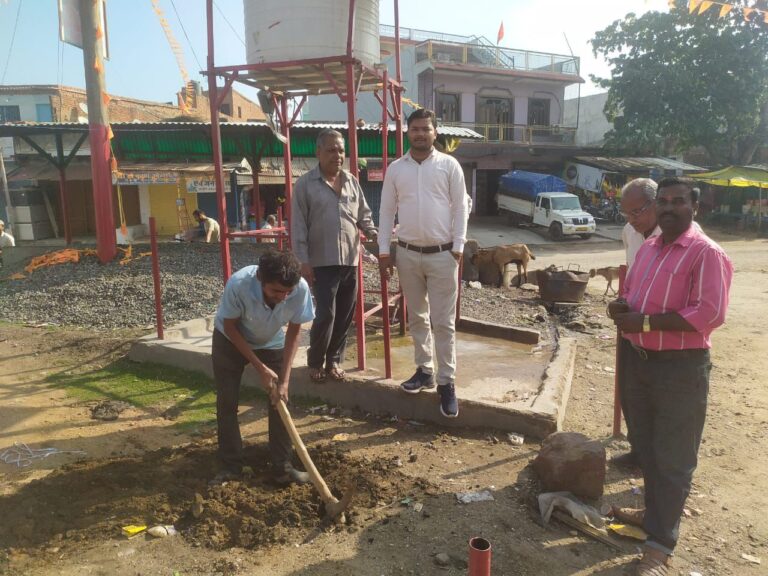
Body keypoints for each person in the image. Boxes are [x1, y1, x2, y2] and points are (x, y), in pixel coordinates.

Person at [608, 177, 732, 575]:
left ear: (695, 205)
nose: (668, 208)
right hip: (638, 360)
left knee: (674, 457)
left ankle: (659, 548)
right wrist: (622, 306)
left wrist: (643, 321)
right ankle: (651, 516)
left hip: (679, 368)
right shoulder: (648, 248)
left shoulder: (705, 253)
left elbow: (709, 314)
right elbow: (636, 293)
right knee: (645, 446)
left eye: (678, 201)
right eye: (662, 201)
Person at [378, 108, 469, 418]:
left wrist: (458, 247)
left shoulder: (449, 165)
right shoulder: (396, 169)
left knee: (443, 322)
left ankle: (446, 383)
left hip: (444, 255)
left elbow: (461, 209)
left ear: (434, 132)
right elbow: (387, 211)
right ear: (408, 132)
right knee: (417, 317)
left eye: (425, 129)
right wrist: (384, 251)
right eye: (414, 129)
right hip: (407, 254)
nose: (420, 133)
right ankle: (425, 370)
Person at [211, 249, 315, 485]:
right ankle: (230, 466)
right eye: (276, 291)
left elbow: (295, 332)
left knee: (280, 400)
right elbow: (230, 327)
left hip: (271, 341)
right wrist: (259, 368)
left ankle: (282, 467)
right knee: (227, 402)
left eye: (288, 292)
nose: (283, 297)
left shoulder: (299, 289)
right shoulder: (239, 284)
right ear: (261, 278)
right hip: (230, 340)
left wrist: (285, 381)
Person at [292, 129, 377, 383]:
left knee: (345, 314)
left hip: (350, 260)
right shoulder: (305, 184)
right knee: (326, 314)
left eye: (341, 150)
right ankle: (315, 361)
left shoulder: (351, 181)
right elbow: (298, 227)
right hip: (321, 262)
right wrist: (303, 261)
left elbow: (364, 214)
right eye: (331, 150)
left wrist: (372, 232)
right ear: (318, 153)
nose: (337, 155)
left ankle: (334, 361)